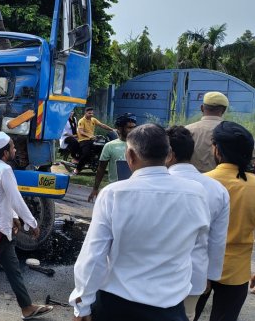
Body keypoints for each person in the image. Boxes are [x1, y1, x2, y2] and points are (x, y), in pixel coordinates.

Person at [69, 124, 209, 321]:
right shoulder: (196, 193)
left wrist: (82, 305)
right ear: (169, 154)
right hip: (170, 306)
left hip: (116, 306)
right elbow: (199, 249)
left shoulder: (114, 194)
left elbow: (93, 256)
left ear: (130, 156)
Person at [0, 132, 53, 320]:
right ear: (6, 153)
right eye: (13, 147)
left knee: (13, 270)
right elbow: (16, 199)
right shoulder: (5, 170)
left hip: (2, 227)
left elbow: (4, 198)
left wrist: (15, 217)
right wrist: (32, 223)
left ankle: (27, 307)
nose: (15, 149)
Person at [165, 126, 230, 321]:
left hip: (151, 278)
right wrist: (210, 276)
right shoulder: (217, 189)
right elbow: (217, 241)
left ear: (168, 154)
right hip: (194, 276)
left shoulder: (153, 185)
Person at [196, 121, 255, 321]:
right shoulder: (253, 186)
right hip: (236, 271)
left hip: (198, 267)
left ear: (217, 150)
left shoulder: (199, 183)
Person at [87, 113, 137, 202]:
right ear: (119, 128)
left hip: (134, 192)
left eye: (134, 127)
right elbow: (101, 169)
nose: (132, 130)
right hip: (115, 193)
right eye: (129, 127)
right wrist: (95, 188)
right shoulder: (109, 146)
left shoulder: (140, 145)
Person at [186, 91, 229, 173]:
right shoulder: (231, 132)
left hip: (191, 182)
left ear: (202, 108)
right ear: (223, 110)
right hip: (222, 183)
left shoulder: (187, 130)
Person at [74, 107, 113, 175]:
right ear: (85, 113)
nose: (91, 114)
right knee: (86, 154)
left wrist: (112, 129)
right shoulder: (81, 121)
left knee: (102, 147)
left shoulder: (93, 120)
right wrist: (89, 136)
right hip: (83, 140)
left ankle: (96, 163)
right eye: (89, 113)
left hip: (92, 139)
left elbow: (102, 125)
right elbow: (81, 131)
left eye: (92, 113)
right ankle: (77, 169)